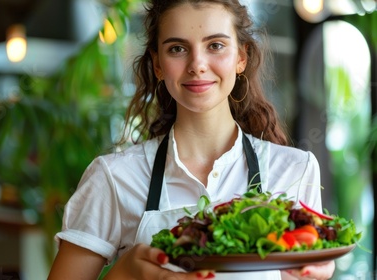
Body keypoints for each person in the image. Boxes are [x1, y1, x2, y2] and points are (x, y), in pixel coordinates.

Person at [48, 0, 335, 279]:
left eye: (216, 46)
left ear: (241, 58)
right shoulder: (113, 178)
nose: (197, 64)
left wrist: (314, 273)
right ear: (157, 64)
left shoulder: (295, 169)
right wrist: (126, 273)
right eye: (177, 48)